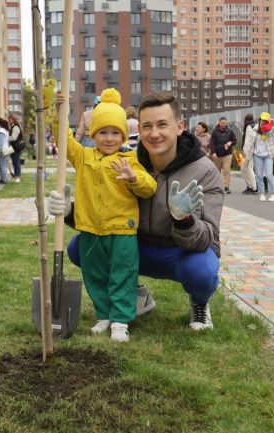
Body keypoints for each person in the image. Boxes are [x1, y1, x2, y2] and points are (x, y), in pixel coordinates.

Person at [49, 91, 223, 332]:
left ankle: (200, 302)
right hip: (133, 244)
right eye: (147, 126)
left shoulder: (204, 171)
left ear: (180, 126)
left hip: (180, 251)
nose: (154, 133)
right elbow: (103, 210)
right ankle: (136, 294)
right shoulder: (128, 159)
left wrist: (183, 218)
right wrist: (68, 212)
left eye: (162, 124)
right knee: (80, 248)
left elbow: (208, 238)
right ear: (138, 129)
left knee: (201, 271)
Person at [53, 88, 157, 343]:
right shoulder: (84, 156)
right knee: (94, 274)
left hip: (121, 230)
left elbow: (149, 187)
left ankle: (121, 319)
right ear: (93, 133)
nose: (109, 138)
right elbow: (64, 141)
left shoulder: (128, 159)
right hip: (90, 228)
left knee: (122, 273)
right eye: (103, 132)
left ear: (122, 134)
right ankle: (105, 314)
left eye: (114, 133)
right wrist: (59, 114)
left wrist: (133, 179)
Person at [243, 112, 274, 202]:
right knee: (259, 176)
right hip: (258, 156)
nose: (263, 122)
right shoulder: (255, 130)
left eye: (265, 121)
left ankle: (273, 194)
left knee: (269, 175)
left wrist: (272, 120)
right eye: (262, 120)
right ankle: (262, 194)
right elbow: (249, 144)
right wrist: (248, 155)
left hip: (268, 155)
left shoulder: (272, 130)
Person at [209, 117, 236, 194]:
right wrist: (213, 152)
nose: (223, 124)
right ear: (219, 123)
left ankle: (226, 187)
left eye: (224, 123)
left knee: (226, 171)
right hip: (217, 155)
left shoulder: (230, 131)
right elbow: (212, 143)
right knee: (217, 171)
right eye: (222, 123)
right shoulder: (215, 132)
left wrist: (230, 142)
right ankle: (216, 186)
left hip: (227, 154)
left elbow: (235, 140)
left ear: (227, 123)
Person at [240, 113, 258, 195]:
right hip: (253, 150)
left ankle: (253, 187)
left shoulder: (248, 126)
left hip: (248, 152)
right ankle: (250, 186)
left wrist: (245, 151)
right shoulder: (255, 125)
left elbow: (248, 140)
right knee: (244, 168)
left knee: (248, 169)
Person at [8, 114, 26, 183]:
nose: (9, 120)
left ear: (14, 120)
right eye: (9, 119)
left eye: (10, 119)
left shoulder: (15, 127)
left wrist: (6, 138)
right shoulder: (13, 127)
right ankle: (16, 176)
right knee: (15, 161)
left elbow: (13, 138)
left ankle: (17, 176)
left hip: (16, 147)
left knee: (16, 162)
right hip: (14, 147)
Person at [0, 117, 10, 184]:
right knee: (2, 165)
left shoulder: (1, 131)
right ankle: (3, 178)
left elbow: (0, 142)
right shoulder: (4, 130)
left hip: (1, 150)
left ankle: (4, 179)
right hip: (4, 149)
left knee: (2, 165)